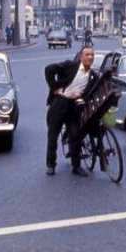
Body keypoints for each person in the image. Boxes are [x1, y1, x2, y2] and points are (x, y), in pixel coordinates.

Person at [44, 46, 100, 176]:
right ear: (81, 56)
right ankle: (51, 165)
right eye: (87, 55)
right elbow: (49, 69)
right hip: (60, 103)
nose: (90, 57)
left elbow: (93, 92)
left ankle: (76, 166)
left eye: (92, 55)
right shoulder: (70, 65)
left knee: (75, 136)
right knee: (53, 135)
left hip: (73, 107)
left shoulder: (93, 76)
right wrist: (54, 88)